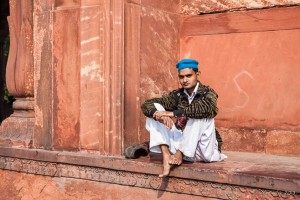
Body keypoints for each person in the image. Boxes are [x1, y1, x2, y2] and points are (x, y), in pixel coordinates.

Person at [141, 58, 226, 177]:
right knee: (154, 111)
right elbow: (146, 104)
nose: (184, 80)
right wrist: (158, 115)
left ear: (197, 74)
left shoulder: (208, 93)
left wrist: (173, 113)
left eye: (188, 76)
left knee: (199, 114)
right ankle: (166, 155)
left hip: (203, 149)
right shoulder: (177, 95)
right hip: (180, 143)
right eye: (181, 77)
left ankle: (179, 153)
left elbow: (208, 109)